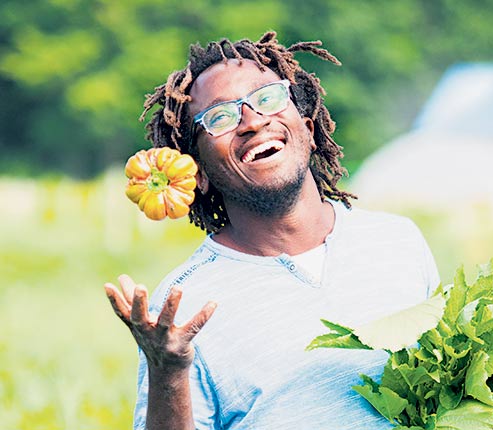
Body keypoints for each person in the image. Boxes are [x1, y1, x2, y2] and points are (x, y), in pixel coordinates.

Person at [104, 31, 440, 430]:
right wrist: (169, 372)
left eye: (267, 98)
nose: (251, 120)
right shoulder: (182, 304)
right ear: (201, 173)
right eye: (221, 117)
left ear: (310, 131)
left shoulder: (398, 241)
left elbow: (447, 390)